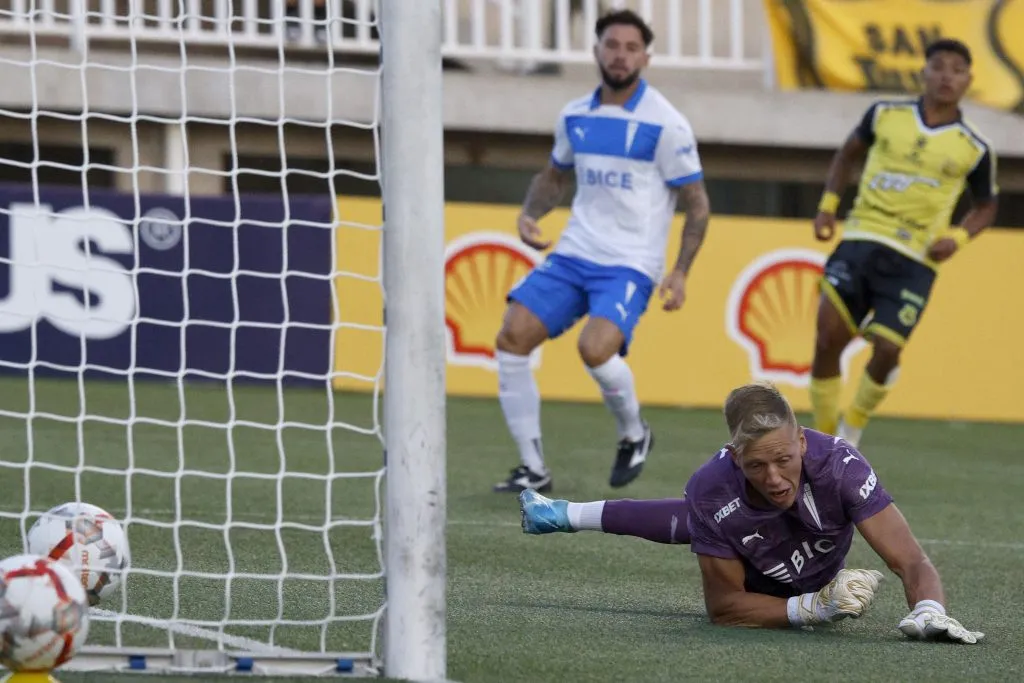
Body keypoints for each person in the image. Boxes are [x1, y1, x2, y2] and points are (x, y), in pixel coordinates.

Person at [518, 381, 983, 641]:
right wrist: (814, 609)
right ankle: (561, 514)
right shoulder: (712, 489)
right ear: (735, 456)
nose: (776, 477)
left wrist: (929, 611)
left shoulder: (840, 465)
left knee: (687, 519)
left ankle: (561, 512)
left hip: (810, 561)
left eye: (785, 459)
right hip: (760, 583)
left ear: (802, 442)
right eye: (758, 465)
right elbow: (724, 609)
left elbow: (910, 560)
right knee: (689, 517)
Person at [492, 10, 711, 494]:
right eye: (612, 45)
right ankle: (533, 468)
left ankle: (635, 433)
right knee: (512, 337)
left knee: (595, 349)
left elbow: (697, 206)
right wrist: (531, 213)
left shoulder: (666, 124)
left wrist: (679, 272)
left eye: (632, 48)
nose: (620, 55)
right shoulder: (575, 114)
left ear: (646, 58)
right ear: (596, 50)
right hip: (575, 252)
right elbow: (554, 176)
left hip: (631, 262)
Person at [808, 38, 999, 447]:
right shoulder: (884, 114)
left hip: (916, 256)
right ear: (923, 72)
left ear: (968, 81)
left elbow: (986, 206)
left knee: (887, 348)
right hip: (861, 236)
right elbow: (846, 155)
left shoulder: (974, 147)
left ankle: (853, 426)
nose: (947, 76)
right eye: (939, 66)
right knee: (827, 338)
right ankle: (824, 442)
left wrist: (958, 237)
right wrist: (828, 206)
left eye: (957, 70)